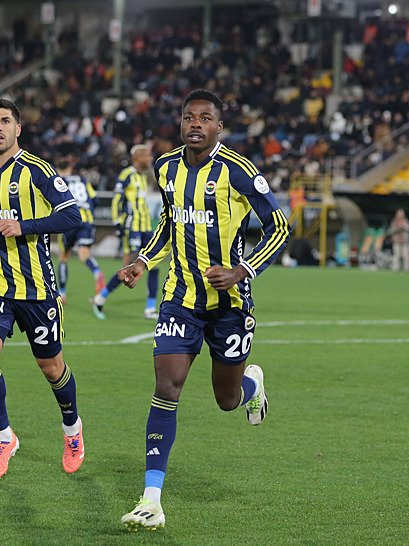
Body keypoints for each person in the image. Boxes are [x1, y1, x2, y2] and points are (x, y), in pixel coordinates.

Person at [117, 89, 291, 530]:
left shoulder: (239, 171)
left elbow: (279, 227)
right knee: (166, 386)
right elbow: (169, 222)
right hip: (181, 299)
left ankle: (252, 386)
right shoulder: (165, 167)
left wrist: (241, 270)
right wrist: (142, 261)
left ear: (219, 126)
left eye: (205, 118)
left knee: (226, 400)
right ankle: (151, 499)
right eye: (189, 117)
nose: (196, 124)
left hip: (230, 304)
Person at [0, 97, 85, 480]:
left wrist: (25, 227)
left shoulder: (37, 170)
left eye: (5, 121)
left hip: (36, 289)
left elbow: (72, 216)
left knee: (51, 366)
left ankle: (72, 430)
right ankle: (4, 438)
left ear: (18, 128)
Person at [91, 144, 159, 320]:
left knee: (154, 264)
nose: (150, 159)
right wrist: (118, 223)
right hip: (132, 228)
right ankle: (100, 298)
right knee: (130, 266)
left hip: (146, 227)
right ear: (138, 157)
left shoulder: (143, 177)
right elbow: (117, 200)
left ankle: (150, 308)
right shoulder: (127, 175)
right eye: (147, 155)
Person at [55, 156, 105, 304]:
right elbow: (95, 200)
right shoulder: (82, 180)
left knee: (64, 257)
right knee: (84, 254)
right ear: (70, 168)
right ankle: (97, 273)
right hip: (86, 220)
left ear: (57, 169)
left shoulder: (58, 181)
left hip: (68, 221)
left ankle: (62, 294)